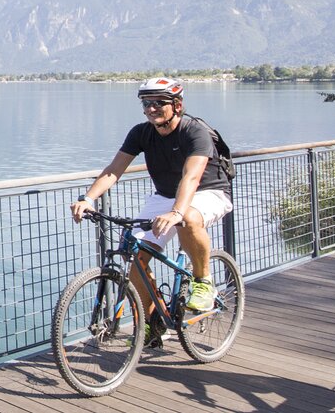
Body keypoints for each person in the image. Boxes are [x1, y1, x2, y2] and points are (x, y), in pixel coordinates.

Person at [69, 77, 234, 317]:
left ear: (177, 105)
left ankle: (203, 281)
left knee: (187, 218)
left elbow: (191, 177)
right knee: (134, 255)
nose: (151, 108)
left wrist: (176, 212)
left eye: (159, 102)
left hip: (208, 191)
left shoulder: (194, 131)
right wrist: (88, 199)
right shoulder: (141, 132)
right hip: (165, 195)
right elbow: (114, 170)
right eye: (146, 103)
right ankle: (153, 321)